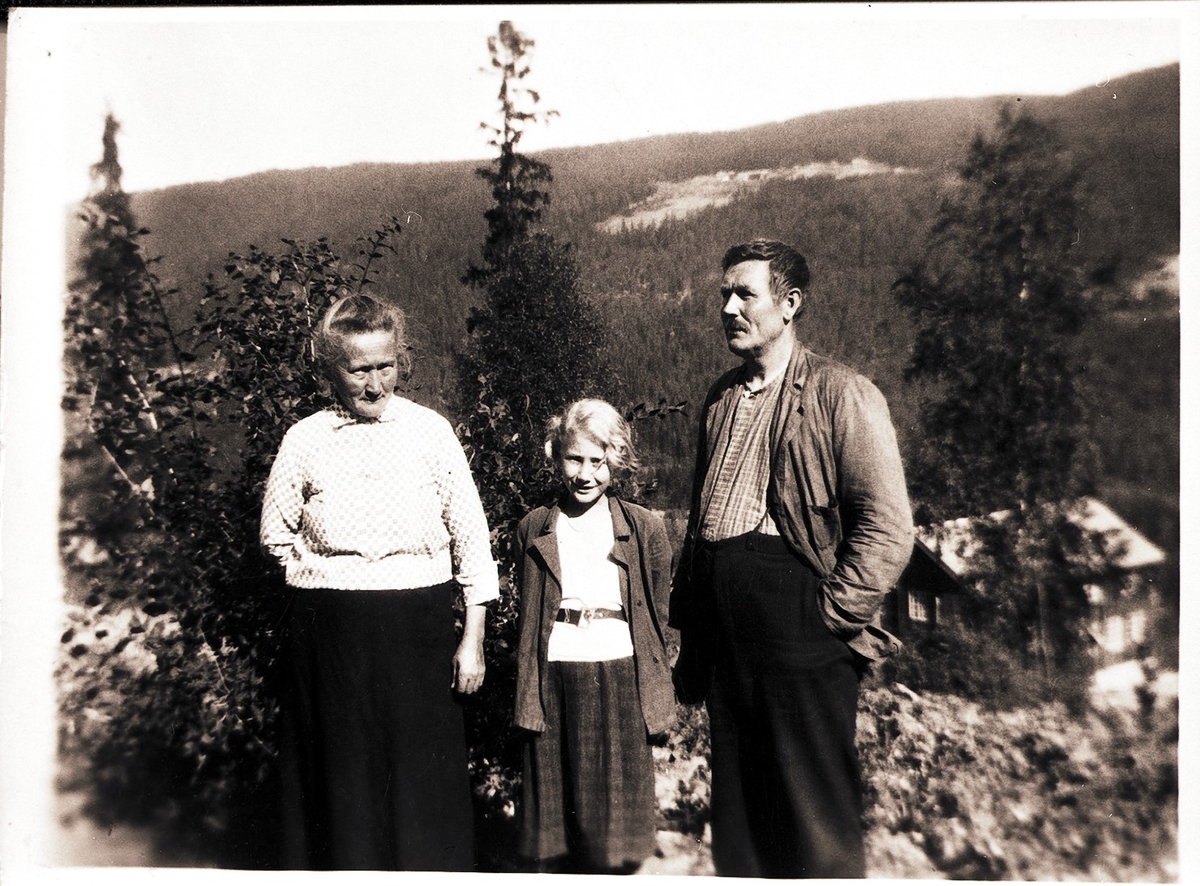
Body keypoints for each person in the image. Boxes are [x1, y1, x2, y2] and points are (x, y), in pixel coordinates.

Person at [670, 240, 913, 878]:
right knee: (742, 820)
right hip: (730, 634)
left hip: (801, 627)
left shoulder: (842, 394)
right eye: (724, 294)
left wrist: (829, 618)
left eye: (745, 293)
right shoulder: (721, 399)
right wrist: (697, 631)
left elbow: (888, 528)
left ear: (790, 303)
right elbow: (701, 525)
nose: (728, 307)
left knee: (812, 814)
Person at [260, 293, 498, 871]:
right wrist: (332, 571)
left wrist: (471, 641)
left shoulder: (430, 432)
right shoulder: (305, 439)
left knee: (420, 778)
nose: (374, 384)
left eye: (385, 367)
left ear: (401, 361)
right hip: (331, 637)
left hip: (417, 633)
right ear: (330, 371)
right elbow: (274, 535)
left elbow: (472, 540)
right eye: (358, 370)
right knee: (342, 779)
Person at [512, 399, 676, 874]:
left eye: (597, 461)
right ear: (556, 457)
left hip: (618, 674)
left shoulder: (644, 528)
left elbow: (657, 611)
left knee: (613, 830)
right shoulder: (533, 529)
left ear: (616, 460)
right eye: (574, 459)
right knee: (557, 822)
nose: (585, 474)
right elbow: (530, 616)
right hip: (554, 676)